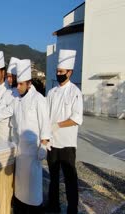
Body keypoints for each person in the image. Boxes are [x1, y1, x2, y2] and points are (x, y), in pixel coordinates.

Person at [0, 59, 51, 214]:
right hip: (20, 151)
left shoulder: (38, 100)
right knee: (20, 189)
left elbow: (45, 123)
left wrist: (44, 144)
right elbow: (5, 112)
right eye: (18, 83)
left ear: (28, 83)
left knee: (32, 189)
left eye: (21, 84)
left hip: (33, 152)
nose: (18, 87)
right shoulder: (17, 99)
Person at [45, 49, 83, 214]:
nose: (59, 74)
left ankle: (72, 208)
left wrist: (58, 125)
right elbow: (45, 114)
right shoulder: (51, 92)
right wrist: (45, 134)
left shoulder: (75, 92)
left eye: (62, 72)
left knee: (70, 178)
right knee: (53, 177)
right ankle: (53, 205)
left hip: (67, 143)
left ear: (70, 72)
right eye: (57, 71)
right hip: (52, 142)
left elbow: (76, 118)